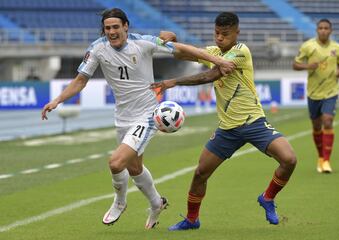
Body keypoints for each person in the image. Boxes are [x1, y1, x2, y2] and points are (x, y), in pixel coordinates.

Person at [41, 8, 235, 229]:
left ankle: (120, 202)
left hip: (147, 116)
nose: (112, 32)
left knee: (116, 163)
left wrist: (216, 60)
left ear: (126, 26)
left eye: (116, 27)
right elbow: (80, 81)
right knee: (134, 169)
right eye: (107, 28)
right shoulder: (97, 49)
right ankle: (156, 203)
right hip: (122, 118)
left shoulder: (143, 43)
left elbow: (182, 48)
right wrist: (57, 100)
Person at [151, 12, 297, 230]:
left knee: (289, 160)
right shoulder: (213, 52)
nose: (220, 38)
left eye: (225, 34)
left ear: (237, 32)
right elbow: (183, 54)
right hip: (227, 130)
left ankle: (267, 198)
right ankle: (192, 219)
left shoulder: (241, 52)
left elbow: (209, 76)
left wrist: (173, 82)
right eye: (217, 33)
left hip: (254, 123)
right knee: (200, 173)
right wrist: (170, 41)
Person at [293, 19, 339, 173]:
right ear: (317, 30)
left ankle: (327, 161)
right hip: (313, 93)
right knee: (316, 126)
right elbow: (295, 64)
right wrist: (307, 66)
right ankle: (321, 157)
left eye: (326, 28)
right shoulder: (308, 46)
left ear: (331, 30)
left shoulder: (337, 48)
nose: (323, 30)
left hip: (331, 92)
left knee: (327, 121)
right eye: (320, 28)